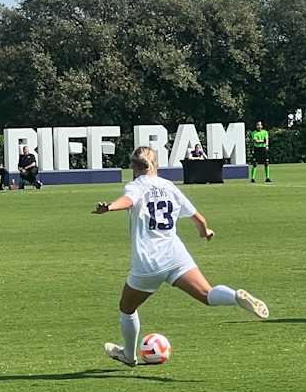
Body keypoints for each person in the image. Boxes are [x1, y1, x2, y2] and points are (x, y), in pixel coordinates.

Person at [94, 146, 269, 367]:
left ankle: (129, 355)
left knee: (127, 309)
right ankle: (236, 297)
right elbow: (199, 218)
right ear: (155, 164)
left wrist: (109, 207)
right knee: (207, 294)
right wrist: (205, 232)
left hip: (149, 261)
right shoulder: (169, 186)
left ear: (134, 166)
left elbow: (129, 200)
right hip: (176, 255)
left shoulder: (136, 185)